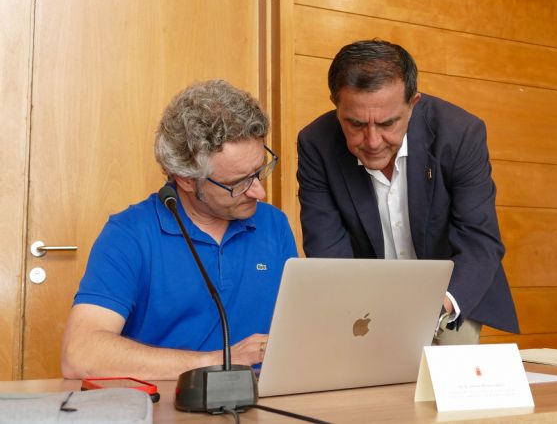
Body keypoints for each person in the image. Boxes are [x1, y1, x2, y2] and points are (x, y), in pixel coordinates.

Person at [61, 79, 297, 379]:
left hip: (265, 400)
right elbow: (79, 354)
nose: (259, 192)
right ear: (185, 179)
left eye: (260, 170)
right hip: (172, 401)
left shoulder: (274, 225)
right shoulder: (129, 234)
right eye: (238, 183)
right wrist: (219, 361)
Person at [296, 39, 518, 344]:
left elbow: (479, 239)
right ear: (336, 105)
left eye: (387, 123)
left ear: (412, 104)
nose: (372, 142)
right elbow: (326, 247)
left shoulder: (460, 134)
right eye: (356, 124)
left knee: (448, 363)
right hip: (365, 295)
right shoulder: (316, 143)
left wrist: (436, 308)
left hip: (451, 291)